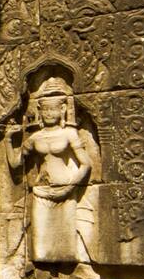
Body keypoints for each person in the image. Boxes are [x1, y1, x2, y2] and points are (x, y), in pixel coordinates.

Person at [5, 74, 95, 265]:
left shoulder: (69, 134)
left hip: (66, 188)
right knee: (40, 240)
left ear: (62, 109)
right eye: (45, 109)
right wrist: (8, 140)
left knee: (65, 242)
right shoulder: (36, 137)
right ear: (40, 111)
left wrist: (71, 185)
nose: (48, 114)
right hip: (42, 191)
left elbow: (86, 163)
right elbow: (15, 163)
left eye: (53, 109)